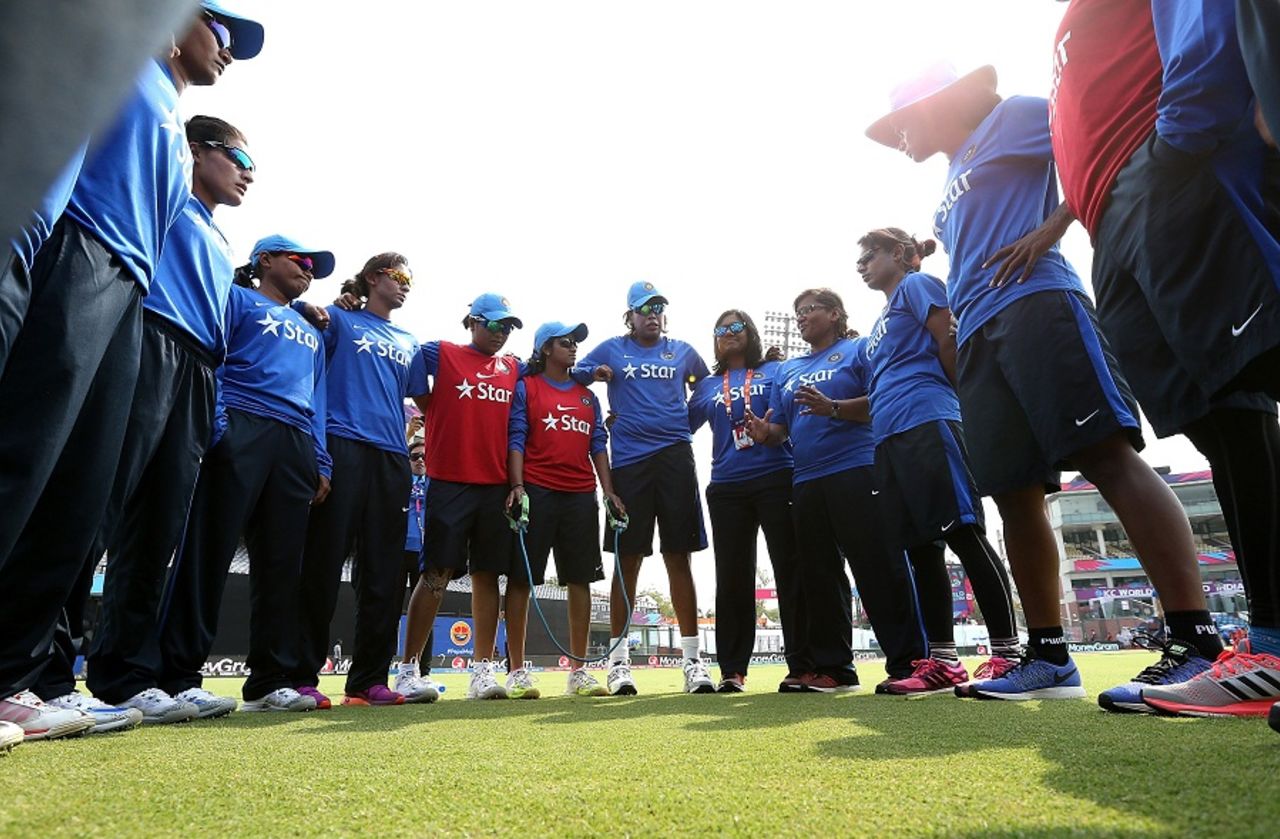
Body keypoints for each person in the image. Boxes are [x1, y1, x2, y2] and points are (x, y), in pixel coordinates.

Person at [867, 60, 1236, 706]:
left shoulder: (1013, 116)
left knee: (1106, 457)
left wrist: (1054, 225)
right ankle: (1048, 656)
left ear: (939, 103)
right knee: (1012, 493)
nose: (897, 136)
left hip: (1039, 305)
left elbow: (1100, 141)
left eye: (901, 121)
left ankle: (1196, 636)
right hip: (979, 331)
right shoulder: (949, 177)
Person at [0, 2, 262, 740]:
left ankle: (16, 677)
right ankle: (39, 667)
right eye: (220, 29)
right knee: (29, 456)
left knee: (79, 493)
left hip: (130, 289)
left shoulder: (173, 133)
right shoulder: (124, 75)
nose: (229, 51)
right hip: (80, 251)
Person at [1043, 0, 1280, 718]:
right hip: (1117, 214)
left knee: (1247, 390)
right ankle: (1267, 648)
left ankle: (1271, 642)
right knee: (1218, 415)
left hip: (1172, 168)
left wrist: (1176, 142)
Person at [69, 115, 255, 731]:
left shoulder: (221, 239)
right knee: (99, 504)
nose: (247, 174)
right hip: (148, 341)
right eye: (237, 158)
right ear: (195, 152)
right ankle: (40, 671)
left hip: (199, 369)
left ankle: (127, 677)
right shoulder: (165, 195)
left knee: (158, 529)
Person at [153, 234, 335, 714]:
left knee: (281, 566)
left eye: (313, 267)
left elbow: (318, 400)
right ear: (265, 260)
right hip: (242, 423)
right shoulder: (236, 299)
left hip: (295, 441)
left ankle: (268, 680)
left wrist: (321, 459)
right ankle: (178, 675)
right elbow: (212, 357)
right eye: (299, 260)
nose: (308, 270)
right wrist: (217, 424)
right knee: (207, 552)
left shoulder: (311, 332)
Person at [856, 228, 1026, 697]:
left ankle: (1009, 653)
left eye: (869, 255)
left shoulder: (917, 284)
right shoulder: (880, 319)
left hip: (928, 420)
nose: (861, 264)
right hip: (890, 436)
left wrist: (966, 405)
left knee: (963, 532)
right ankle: (943, 662)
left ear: (900, 255)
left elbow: (948, 343)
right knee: (920, 549)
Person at [743, 288, 927, 692]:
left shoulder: (859, 350)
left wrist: (836, 408)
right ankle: (836, 670)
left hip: (858, 470)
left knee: (877, 566)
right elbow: (780, 430)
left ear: (835, 313)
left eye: (810, 309)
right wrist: (763, 432)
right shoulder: (788, 371)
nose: (802, 317)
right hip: (806, 480)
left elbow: (883, 399)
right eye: (797, 312)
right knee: (819, 577)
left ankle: (908, 662)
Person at [293, 253, 430, 709]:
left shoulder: (409, 341)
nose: (407, 285)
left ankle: (368, 679)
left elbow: (424, 398)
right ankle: (300, 675)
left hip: (392, 459)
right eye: (399, 276)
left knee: (384, 576)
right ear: (374, 278)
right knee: (323, 565)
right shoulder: (342, 320)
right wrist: (332, 304)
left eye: (411, 279)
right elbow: (295, 311)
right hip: (342, 445)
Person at [577, 282, 715, 695]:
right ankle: (618, 664)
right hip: (631, 466)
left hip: (675, 460)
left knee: (679, 556)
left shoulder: (684, 352)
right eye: (644, 309)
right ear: (630, 315)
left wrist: (679, 426)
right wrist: (595, 374)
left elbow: (706, 391)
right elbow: (576, 372)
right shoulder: (611, 349)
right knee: (628, 560)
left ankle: (693, 661)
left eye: (658, 307)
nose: (652, 314)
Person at [397, 294, 524, 700]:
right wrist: (430, 405)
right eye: (494, 324)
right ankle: (406, 668)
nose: (501, 333)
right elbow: (413, 359)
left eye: (508, 326)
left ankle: (483, 671)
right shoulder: (444, 352)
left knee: (489, 575)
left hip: (495, 485)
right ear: (472, 321)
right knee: (437, 572)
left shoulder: (513, 367)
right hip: (449, 481)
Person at [507, 321, 624, 698]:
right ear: (545, 349)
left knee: (580, 580)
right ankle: (517, 671)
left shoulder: (588, 396)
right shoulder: (527, 387)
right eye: (565, 342)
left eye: (575, 343)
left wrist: (609, 492)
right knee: (523, 579)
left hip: (580, 495)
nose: (573, 348)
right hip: (537, 492)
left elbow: (598, 444)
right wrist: (517, 486)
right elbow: (517, 437)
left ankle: (578, 671)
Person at [687, 310, 802, 692]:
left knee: (791, 570)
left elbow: (794, 418)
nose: (728, 334)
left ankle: (802, 664)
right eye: (720, 330)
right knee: (732, 578)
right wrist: (630, 419)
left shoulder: (775, 371)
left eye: (736, 328)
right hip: (727, 486)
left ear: (750, 333)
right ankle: (732, 671)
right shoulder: (706, 385)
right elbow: (677, 426)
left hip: (776, 477)